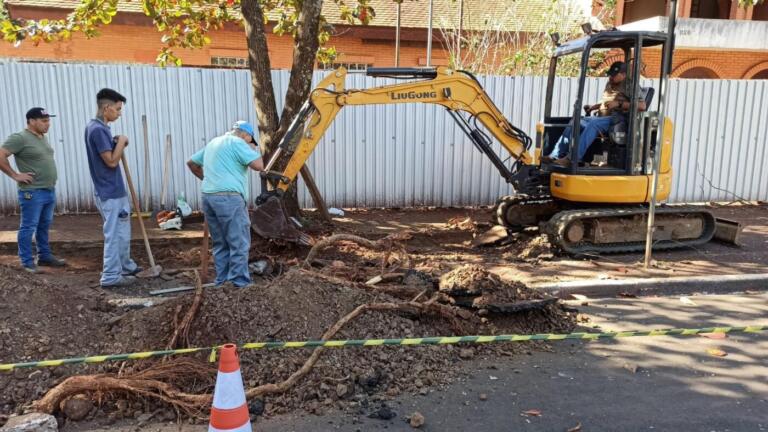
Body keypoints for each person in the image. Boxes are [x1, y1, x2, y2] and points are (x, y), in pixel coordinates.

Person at [187, 121, 264, 288]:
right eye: (250, 140)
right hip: (230, 198)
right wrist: (252, 150)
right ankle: (238, 283)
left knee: (220, 242)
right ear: (246, 135)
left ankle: (222, 282)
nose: (250, 143)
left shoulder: (214, 142)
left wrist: (210, 180)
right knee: (239, 241)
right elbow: (259, 165)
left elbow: (191, 163)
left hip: (209, 197)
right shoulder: (238, 142)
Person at [85, 88, 141, 288]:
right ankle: (110, 276)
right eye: (117, 109)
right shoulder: (98, 130)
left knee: (122, 232)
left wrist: (116, 142)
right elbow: (110, 161)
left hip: (113, 190)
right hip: (109, 192)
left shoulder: (97, 127)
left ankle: (125, 266)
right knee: (114, 234)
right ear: (106, 107)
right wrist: (122, 141)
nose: (119, 113)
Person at [0, 108, 66, 273]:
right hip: (32, 192)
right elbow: (1, 155)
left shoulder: (42, 137)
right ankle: (27, 262)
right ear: (31, 121)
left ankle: (44, 256)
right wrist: (15, 175)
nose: (48, 124)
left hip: (48, 189)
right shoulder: (20, 138)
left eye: (48, 120)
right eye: (44, 121)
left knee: (44, 225)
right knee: (28, 227)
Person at [544, 61, 645, 167]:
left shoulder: (631, 85)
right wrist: (593, 107)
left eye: (614, 75)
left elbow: (642, 106)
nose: (611, 77)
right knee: (575, 121)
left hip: (618, 119)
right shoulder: (610, 84)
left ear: (623, 75)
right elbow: (606, 102)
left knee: (594, 124)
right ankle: (555, 155)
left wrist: (619, 104)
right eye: (610, 74)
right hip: (602, 117)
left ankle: (572, 159)